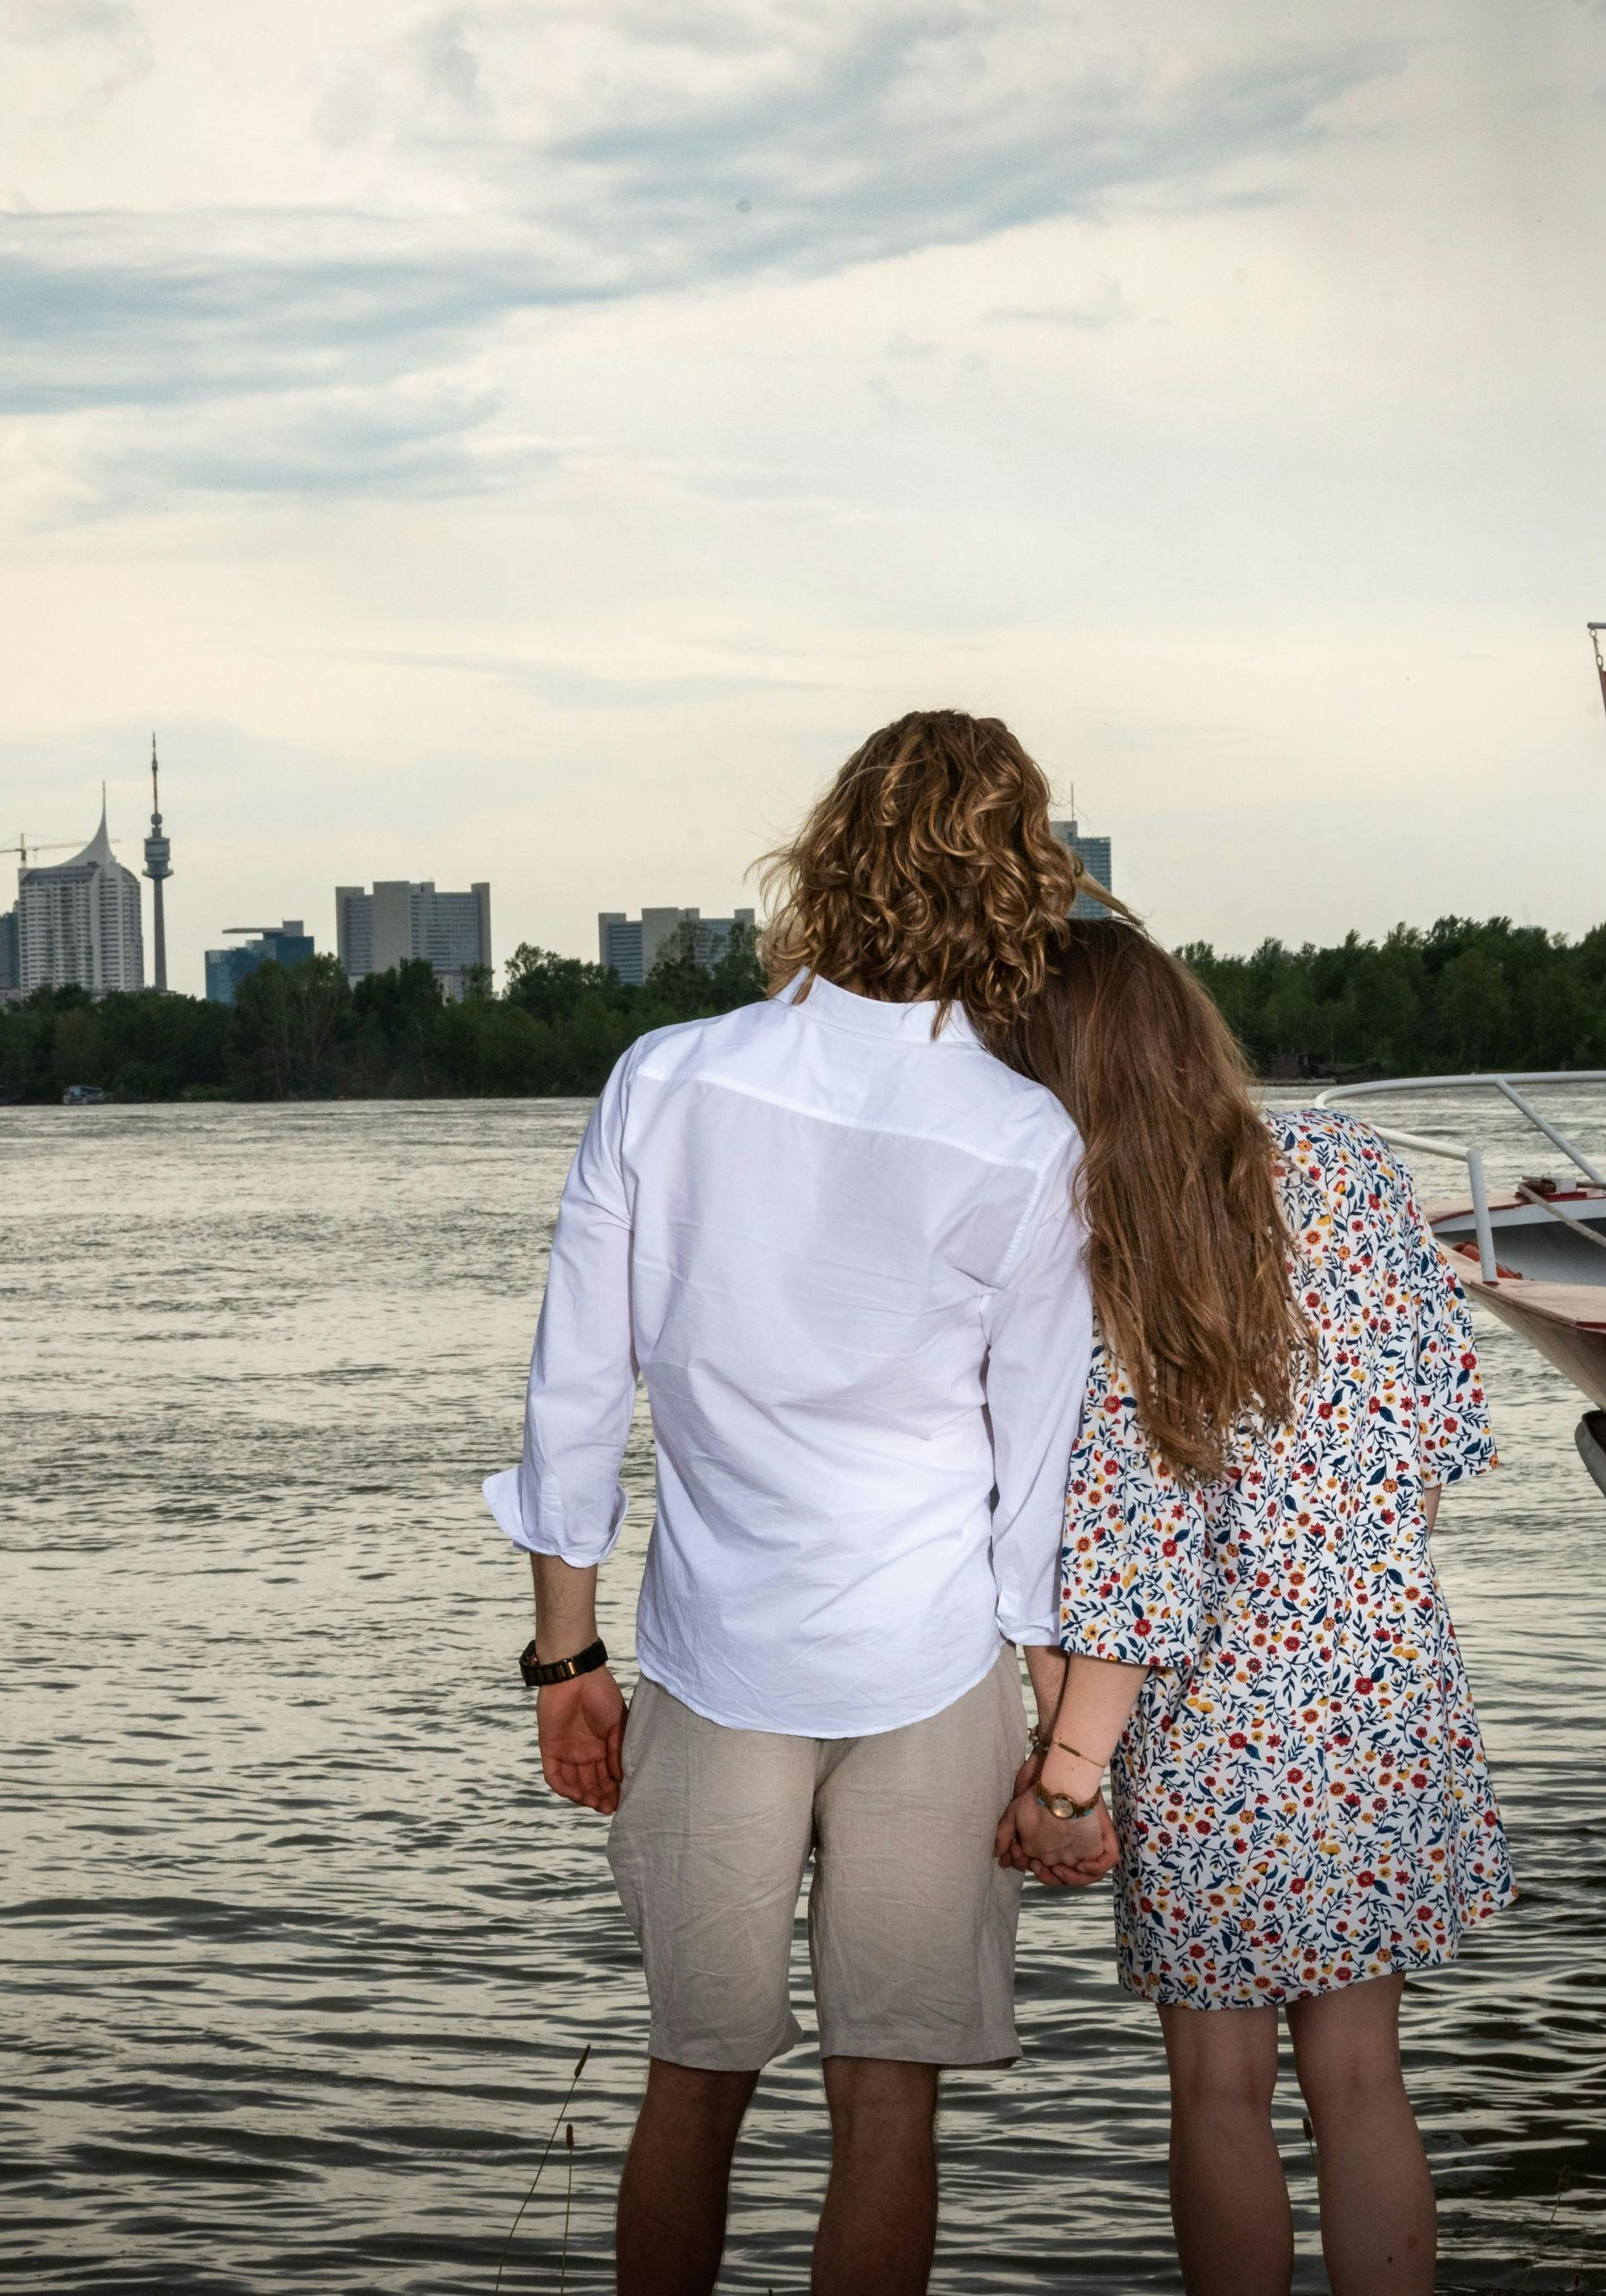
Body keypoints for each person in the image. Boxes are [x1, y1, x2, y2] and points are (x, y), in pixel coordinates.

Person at [489, 709, 1098, 2296]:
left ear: (828, 852)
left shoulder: (664, 1079)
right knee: (886, 2096)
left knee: (695, 2074)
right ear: (1019, 885)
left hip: (713, 1660)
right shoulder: (1029, 1142)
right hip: (935, 1665)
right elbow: (1036, 1479)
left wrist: (565, 1655)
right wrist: (1064, 1750)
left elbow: (577, 1390)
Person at [987, 918, 1512, 2296]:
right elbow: (1432, 1436)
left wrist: (1068, 1779)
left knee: (1220, 2085)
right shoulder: (1348, 1167)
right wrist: (1351, 1585)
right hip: (1390, 1680)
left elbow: (1131, 1563)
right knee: (1364, 2072)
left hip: (1214, 1734)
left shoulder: (1113, 1252)